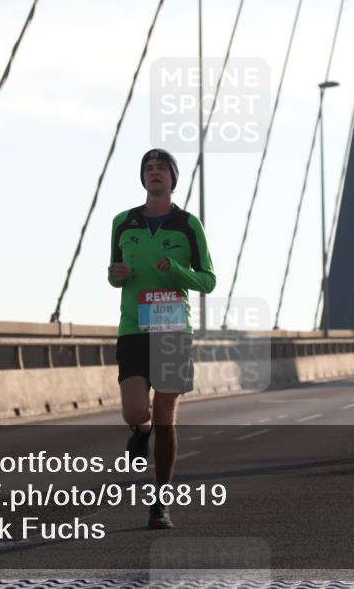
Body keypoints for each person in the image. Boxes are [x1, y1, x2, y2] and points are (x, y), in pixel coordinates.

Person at [108, 148, 216, 529]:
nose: (154, 173)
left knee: (167, 417)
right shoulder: (123, 222)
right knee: (135, 410)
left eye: (161, 168)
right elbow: (113, 273)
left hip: (173, 329)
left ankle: (161, 502)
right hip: (134, 328)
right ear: (143, 178)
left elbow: (208, 280)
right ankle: (141, 430)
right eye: (148, 168)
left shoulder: (188, 225)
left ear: (173, 178)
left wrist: (176, 271)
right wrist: (116, 273)